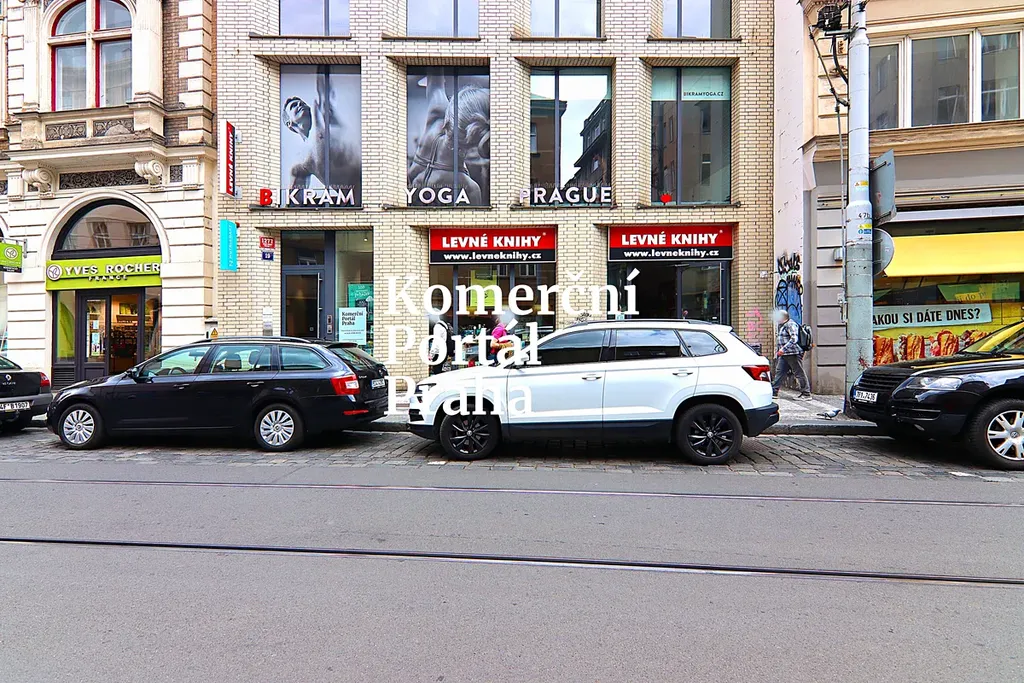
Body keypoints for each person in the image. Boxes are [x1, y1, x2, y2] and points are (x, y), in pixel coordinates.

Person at [283, 73, 361, 199]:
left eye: (302, 103)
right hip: (357, 199)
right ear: (289, 123)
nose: (300, 105)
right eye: (294, 106)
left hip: (371, 182)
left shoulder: (326, 120)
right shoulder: (301, 161)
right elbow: (294, 201)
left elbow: (324, 89)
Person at [772, 309, 810, 399]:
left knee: (799, 373)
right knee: (779, 372)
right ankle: (774, 392)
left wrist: (783, 349)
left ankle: (806, 393)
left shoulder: (790, 324)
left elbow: (794, 339)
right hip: (785, 354)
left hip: (793, 353)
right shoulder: (783, 325)